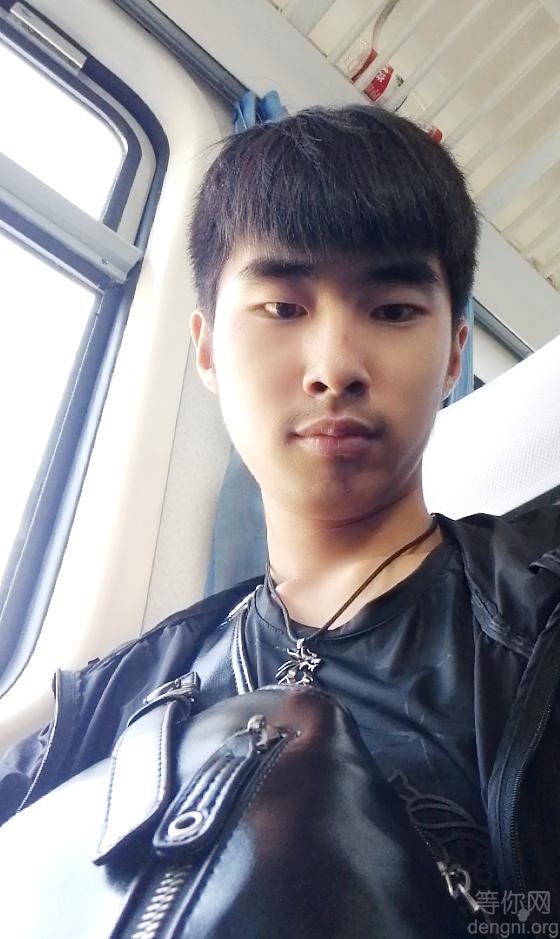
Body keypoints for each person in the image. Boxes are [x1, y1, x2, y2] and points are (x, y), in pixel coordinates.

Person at [1, 105, 559, 926]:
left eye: (393, 309)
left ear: (453, 353)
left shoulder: (533, 641)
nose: (335, 367)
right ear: (206, 348)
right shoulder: (125, 692)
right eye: (283, 308)